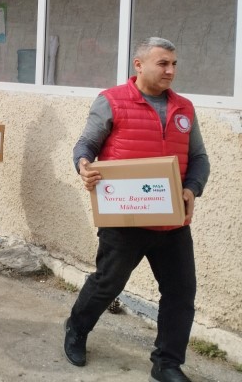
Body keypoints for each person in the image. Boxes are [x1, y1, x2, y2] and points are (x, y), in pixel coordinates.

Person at [64, 37, 210, 382]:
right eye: (163, 63)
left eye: (174, 64)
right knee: (107, 283)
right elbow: (86, 144)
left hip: (172, 221)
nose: (171, 71)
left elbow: (199, 158)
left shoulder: (184, 108)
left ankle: (167, 363)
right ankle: (77, 328)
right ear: (139, 65)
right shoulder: (112, 101)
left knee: (181, 293)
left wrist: (192, 187)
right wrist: (83, 165)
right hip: (124, 218)